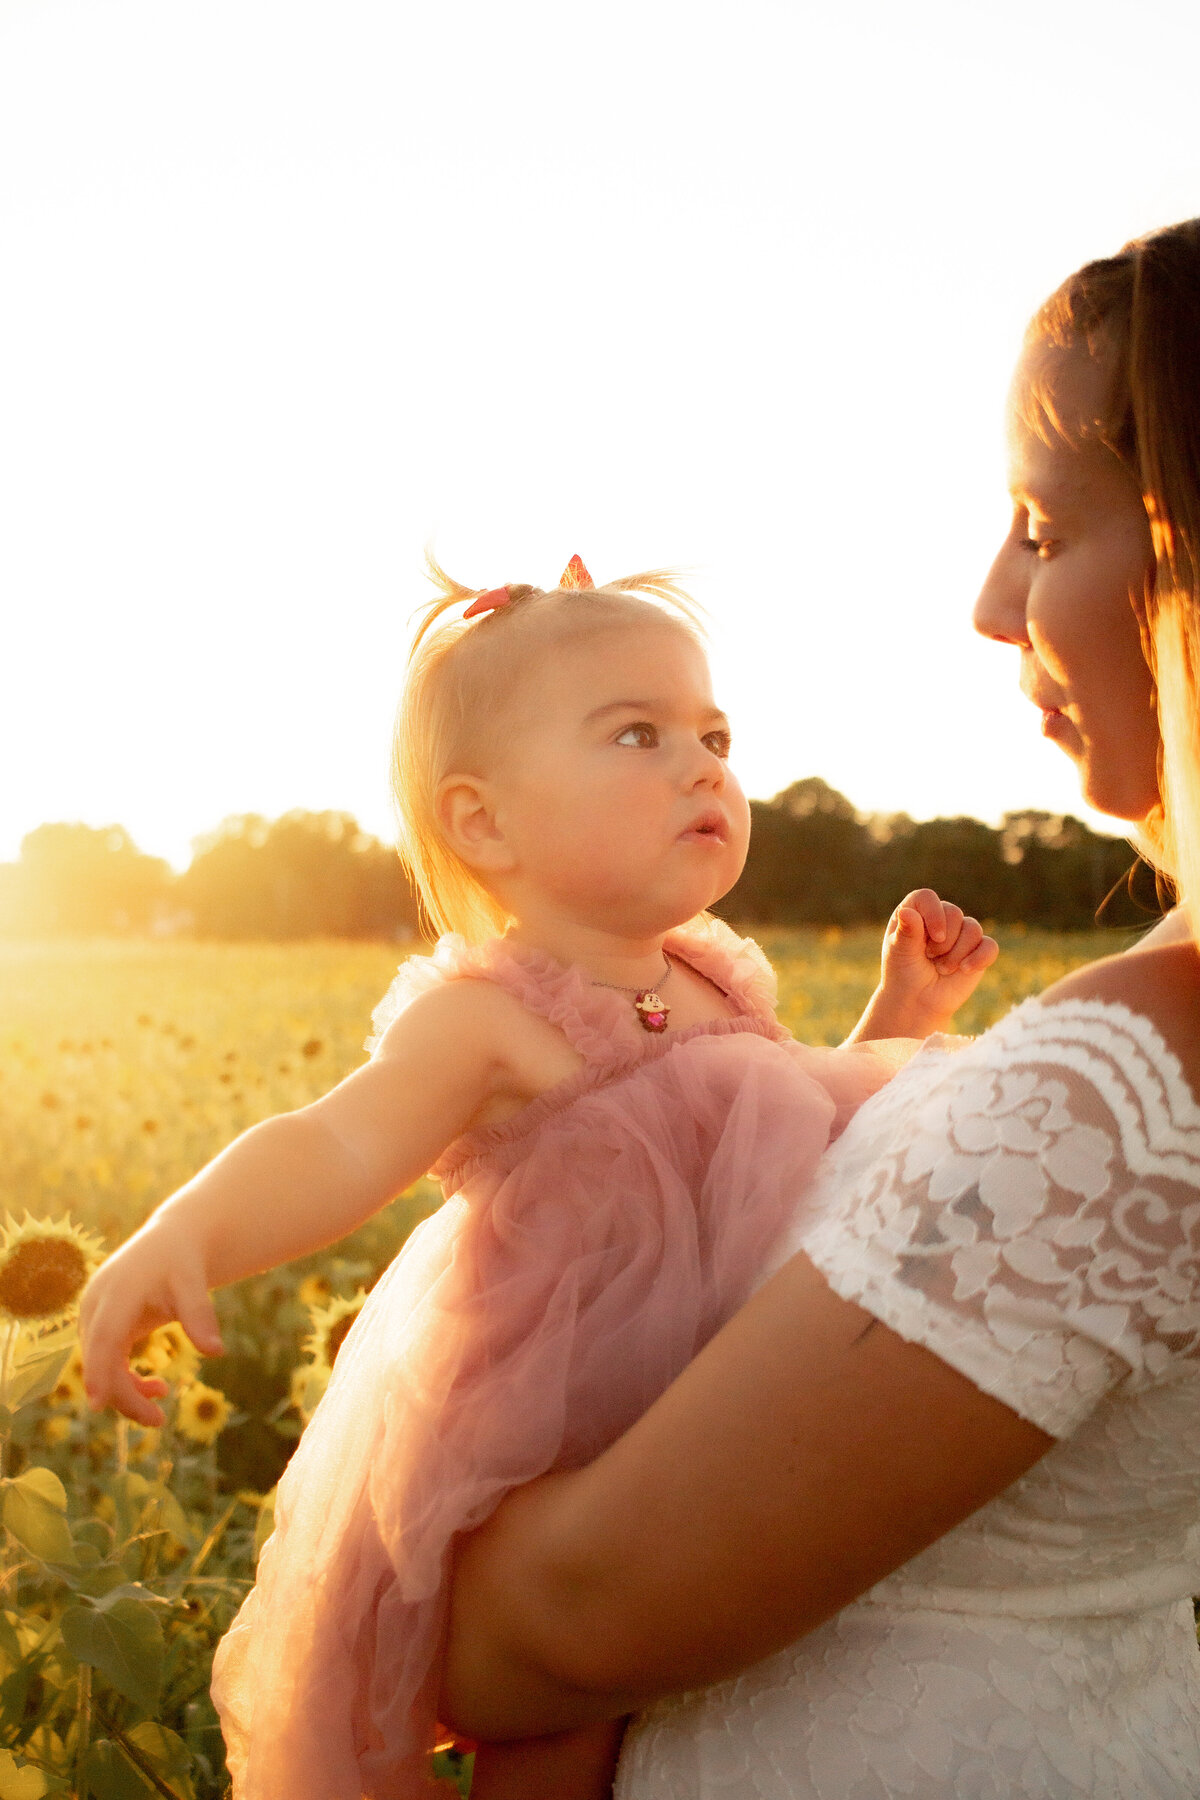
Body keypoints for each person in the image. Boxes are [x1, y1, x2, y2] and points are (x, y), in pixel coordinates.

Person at [436, 220, 1200, 1800]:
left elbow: (572, 1616)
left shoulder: (1127, 1087)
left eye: (1046, 529)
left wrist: (401, 1539)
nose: (995, 603)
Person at [79, 555, 996, 1800]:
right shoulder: (488, 1018)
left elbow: (784, 1143)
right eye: (638, 733)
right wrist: (192, 1225)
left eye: (713, 734)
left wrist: (902, 1009)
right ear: (484, 821)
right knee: (568, 1712)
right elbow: (337, 1141)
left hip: (731, 1396)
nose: (703, 765)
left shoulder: (718, 978)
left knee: (738, 1682)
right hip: (559, 1426)